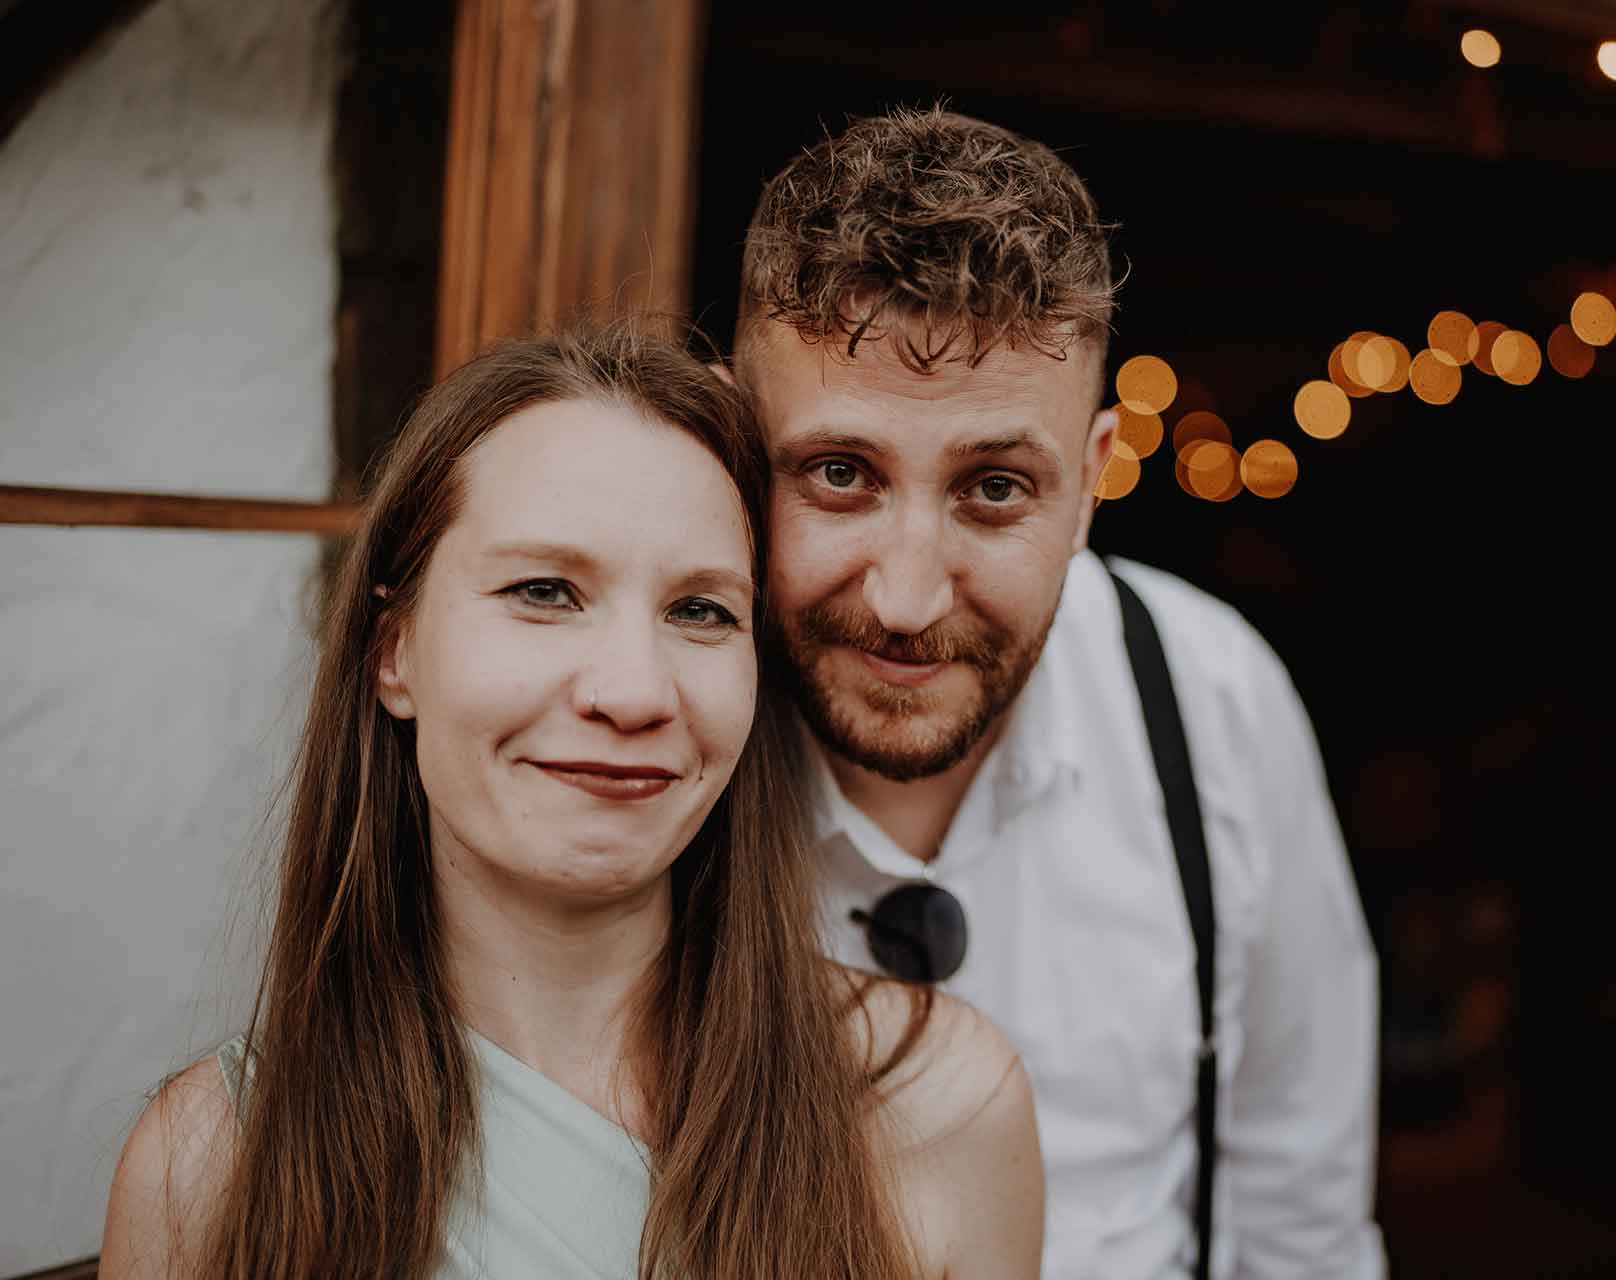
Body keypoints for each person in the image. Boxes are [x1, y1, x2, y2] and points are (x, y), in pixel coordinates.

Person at [98, 323, 1043, 1280]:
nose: (634, 692)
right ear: (395, 652)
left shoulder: (937, 1105)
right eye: (545, 591)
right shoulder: (211, 1167)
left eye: (700, 611)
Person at [733, 107, 1385, 1278]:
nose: (906, 598)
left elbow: (1304, 1222)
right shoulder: (648, 716)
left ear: (1090, 483)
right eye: (840, 474)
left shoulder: (1214, 701)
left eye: (993, 487)